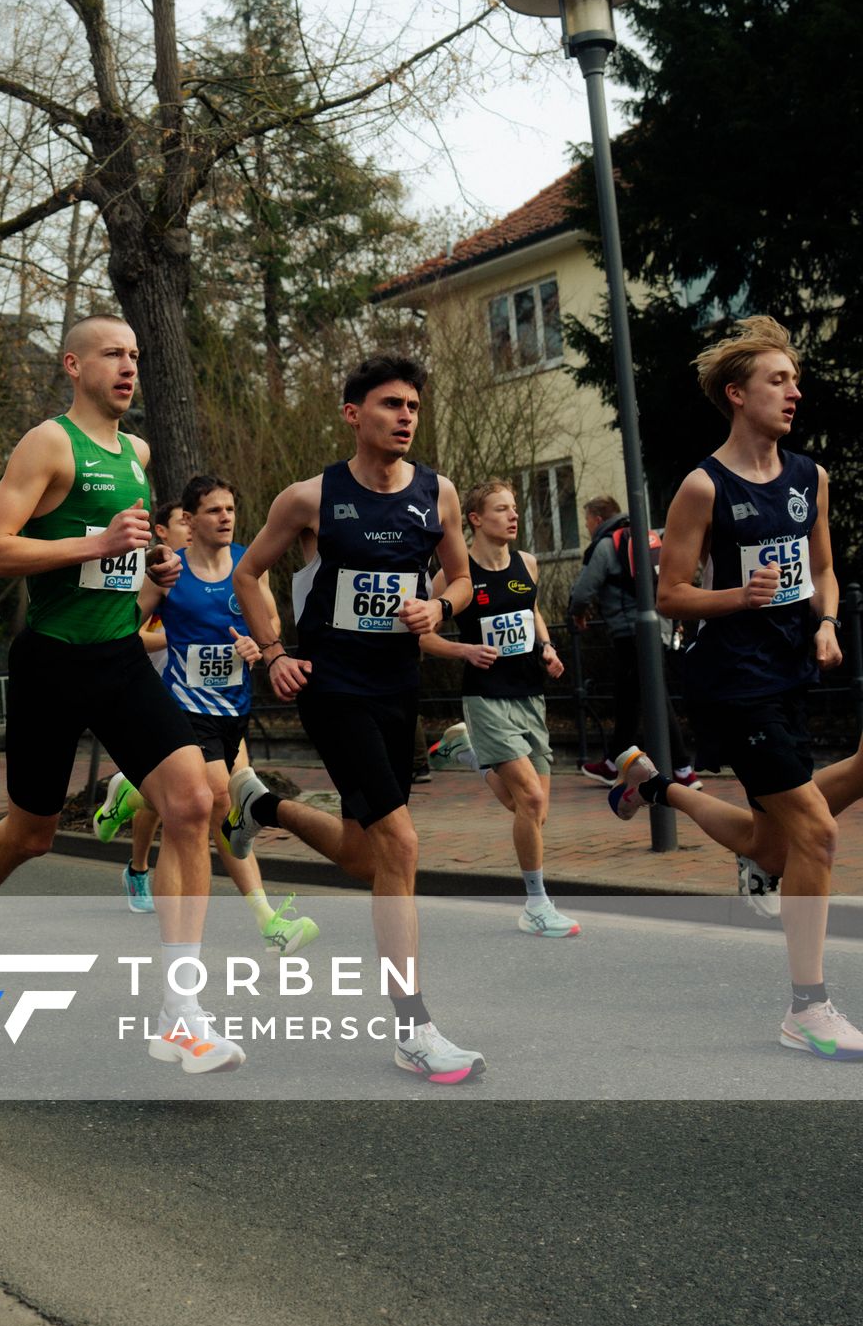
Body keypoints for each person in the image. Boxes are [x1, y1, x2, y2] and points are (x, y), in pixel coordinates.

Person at [0, 314, 244, 1076]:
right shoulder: (49, 444)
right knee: (31, 834)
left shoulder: (138, 453)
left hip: (119, 657)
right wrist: (96, 544)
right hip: (53, 663)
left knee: (194, 803)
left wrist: (151, 570)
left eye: (135, 355)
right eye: (112, 354)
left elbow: (118, 563)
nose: (128, 367)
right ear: (72, 365)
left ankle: (181, 1013)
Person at [609, 315, 862, 1061]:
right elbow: (671, 594)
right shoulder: (703, 487)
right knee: (815, 833)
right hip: (731, 681)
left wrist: (827, 622)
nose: (794, 392)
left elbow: (823, 568)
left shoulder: (809, 477)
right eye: (777, 380)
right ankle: (807, 1008)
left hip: (790, 670)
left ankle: (655, 786)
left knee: (770, 842)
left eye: (794, 380)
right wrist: (739, 598)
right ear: (737, 394)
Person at [227, 354, 485, 1085]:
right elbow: (248, 573)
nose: (405, 417)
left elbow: (462, 578)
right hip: (332, 685)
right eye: (390, 404)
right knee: (400, 844)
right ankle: (413, 1029)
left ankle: (260, 805)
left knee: (369, 855)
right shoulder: (310, 498)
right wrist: (274, 651)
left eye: (413, 406)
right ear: (353, 414)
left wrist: (439, 607)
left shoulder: (438, 493)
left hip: (397, 685)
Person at [103, 475, 319, 951]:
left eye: (230, 509)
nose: (225, 518)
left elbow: (270, 621)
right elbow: (125, 626)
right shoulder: (170, 570)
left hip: (234, 707)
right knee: (219, 798)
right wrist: (160, 629)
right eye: (214, 510)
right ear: (190, 519)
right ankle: (262, 921)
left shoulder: (249, 563)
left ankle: (133, 794)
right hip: (184, 708)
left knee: (220, 808)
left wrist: (257, 646)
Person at [420, 479, 579, 937]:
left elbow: (532, 612)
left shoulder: (527, 563)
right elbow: (423, 637)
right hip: (486, 698)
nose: (513, 516)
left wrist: (547, 647)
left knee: (531, 810)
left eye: (514, 508)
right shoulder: (456, 575)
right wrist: (465, 651)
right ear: (475, 519)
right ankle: (537, 905)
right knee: (530, 799)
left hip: (529, 695)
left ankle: (468, 753)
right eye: (502, 509)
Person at [93, 498, 190, 903]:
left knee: (194, 794)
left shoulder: (215, 571)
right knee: (168, 795)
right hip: (154, 689)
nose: (191, 529)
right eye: (183, 522)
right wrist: (176, 637)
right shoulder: (154, 575)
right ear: (162, 532)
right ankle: (139, 870)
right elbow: (127, 633)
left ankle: (127, 796)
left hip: (203, 694)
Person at [568, 495, 697, 788]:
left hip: (630, 632)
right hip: (661, 626)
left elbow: (583, 591)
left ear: (597, 519)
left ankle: (682, 769)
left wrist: (577, 613)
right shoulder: (648, 538)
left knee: (654, 696)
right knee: (629, 698)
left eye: (587, 521)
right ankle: (613, 763)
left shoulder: (605, 546)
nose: (587, 527)